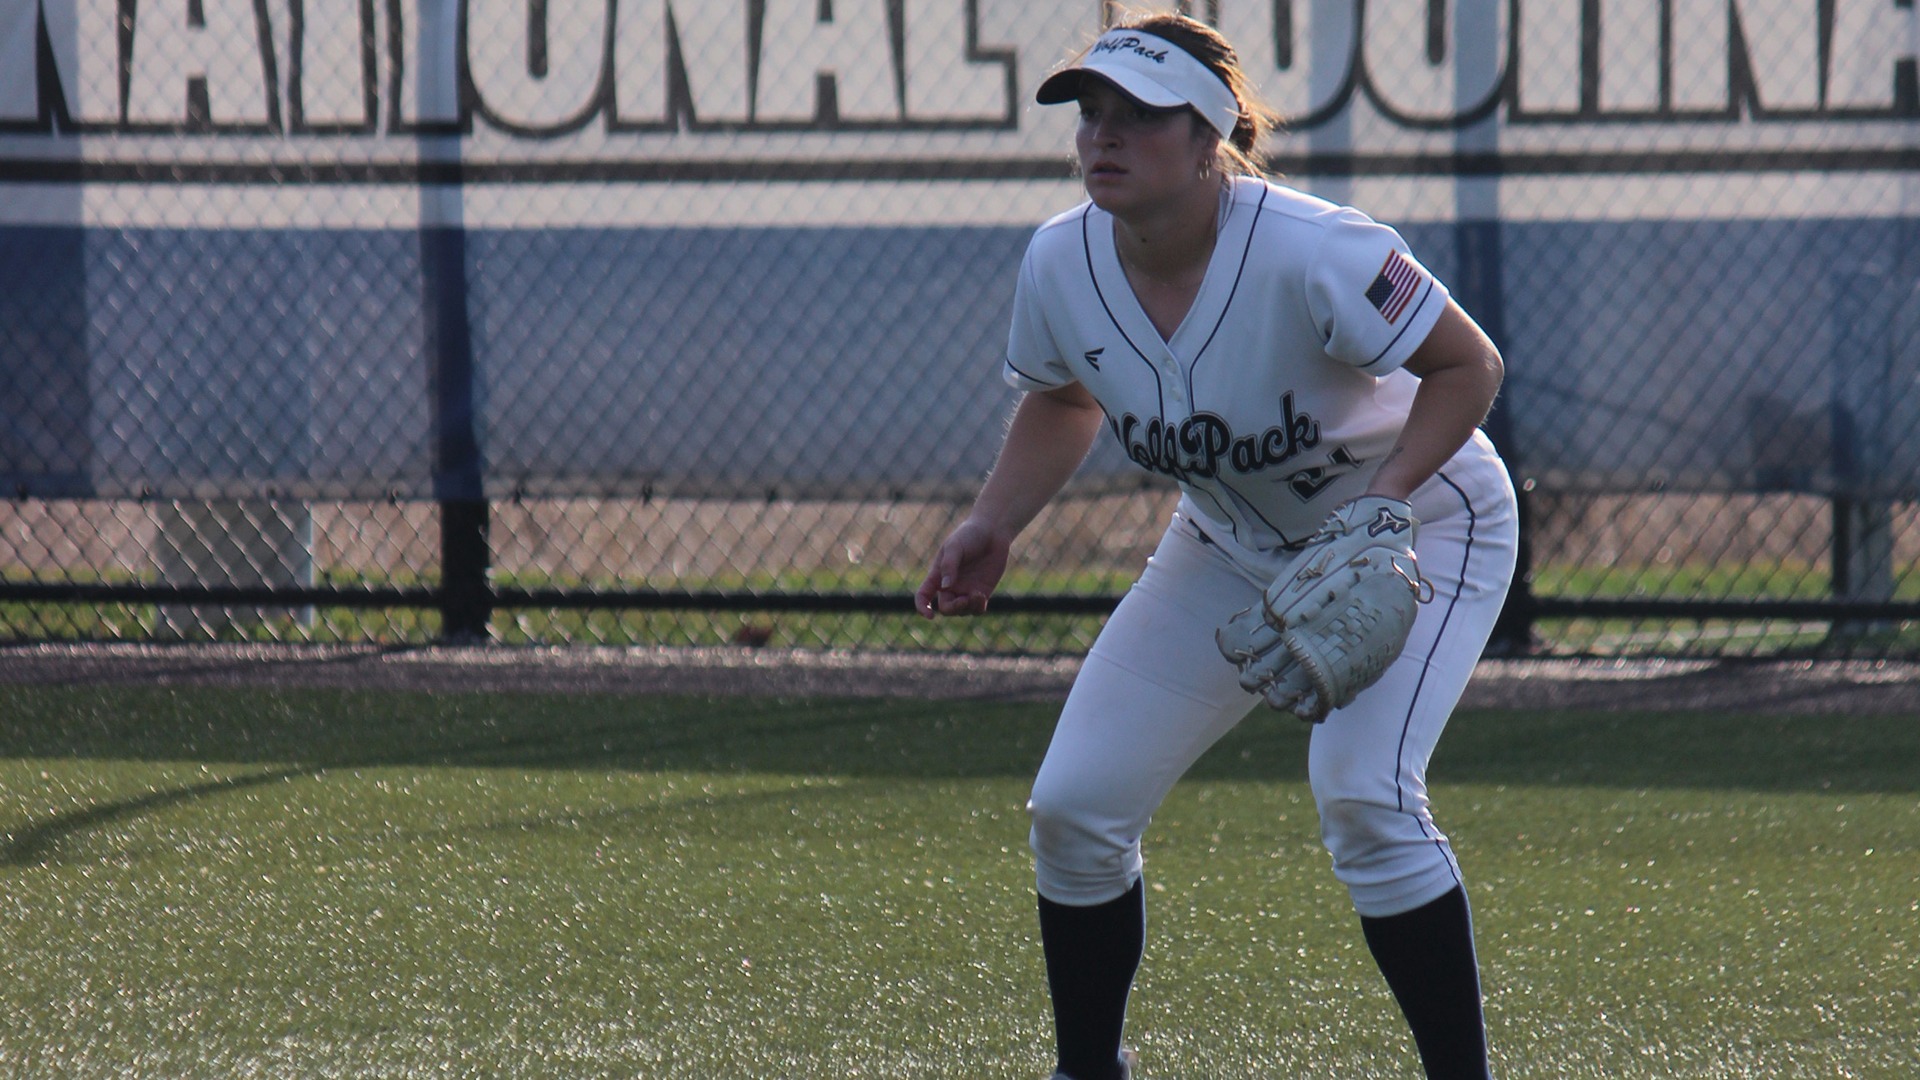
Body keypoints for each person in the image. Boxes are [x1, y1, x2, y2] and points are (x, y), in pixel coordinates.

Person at [913, 13, 1519, 1080]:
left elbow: (1469, 368)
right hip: (1229, 540)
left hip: (1420, 523)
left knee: (1365, 795)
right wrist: (992, 520)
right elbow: (1063, 401)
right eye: (1091, 114)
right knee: (1075, 806)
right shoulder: (1061, 260)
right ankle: (1088, 1070)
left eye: (1140, 117)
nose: (1104, 137)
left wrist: (1380, 501)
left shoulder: (1315, 248)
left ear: (1211, 139)